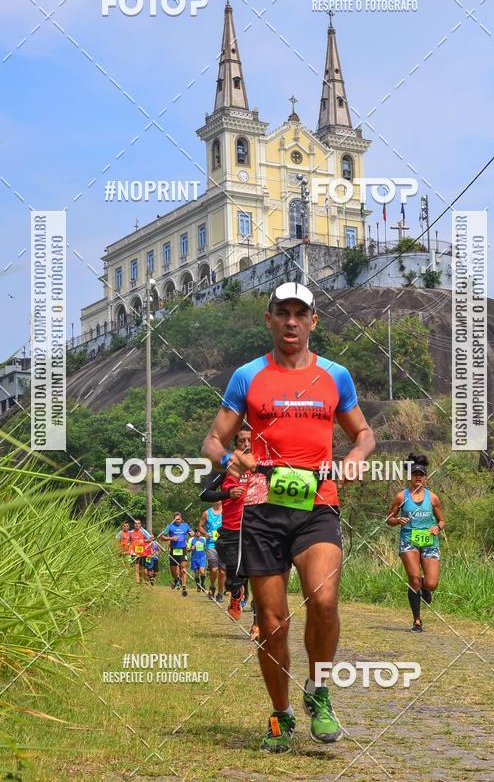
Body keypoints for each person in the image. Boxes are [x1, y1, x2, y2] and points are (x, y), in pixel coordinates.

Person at [202, 281, 375, 754]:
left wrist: (357, 455)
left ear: (314, 320)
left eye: (301, 313)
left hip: (317, 502)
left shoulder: (335, 375)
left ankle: (319, 692)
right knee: (273, 622)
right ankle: (280, 716)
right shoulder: (247, 376)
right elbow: (213, 441)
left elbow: (363, 433)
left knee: (323, 599)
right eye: (283, 313)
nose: (292, 322)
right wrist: (228, 461)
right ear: (269, 319)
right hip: (260, 507)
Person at [200, 428, 259, 637]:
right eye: (241, 441)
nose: (246, 444)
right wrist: (227, 493)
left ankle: (257, 624)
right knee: (233, 575)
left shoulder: (261, 466)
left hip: (256, 529)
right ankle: (236, 592)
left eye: (249, 440)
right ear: (235, 445)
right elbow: (204, 493)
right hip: (231, 530)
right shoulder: (225, 468)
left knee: (259, 575)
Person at [387, 453, 444, 633]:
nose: (418, 477)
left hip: (429, 541)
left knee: (432, 584)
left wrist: (437, 527)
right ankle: (417, 620)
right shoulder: (401, 497)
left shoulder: (433, 498)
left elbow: (442, 520)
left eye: (421, 475)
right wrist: (398, 521)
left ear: (425, 478)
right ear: (410, 477)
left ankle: (425, 587)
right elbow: (389, 518)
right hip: (408, 540)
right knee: (413, 579)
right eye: (415, 474)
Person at [161, 512, 193, 597]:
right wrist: (171, 538)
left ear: (181, 519)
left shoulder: (185, 525)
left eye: (179, 519)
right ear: (173, 519)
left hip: (182, 549)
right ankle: (176, 579)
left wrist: (191, 534)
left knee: (183, 568)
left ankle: (184, 587)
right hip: (173, 550)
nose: (177, 521)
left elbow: (191, 533)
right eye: (176, 519)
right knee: (173, 570)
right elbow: (162, 537)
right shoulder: (169, 526)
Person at [199, 502, 225, 602]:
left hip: (223, 544)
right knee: (214, 569)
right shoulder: (207, 513)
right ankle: (212, 586)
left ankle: (220, 592)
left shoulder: (226, 511)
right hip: (211, 544)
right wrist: (205, 533)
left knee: (222, 572)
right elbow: (200, 526)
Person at [129, 518, 151, 584]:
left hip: (142, 553)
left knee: (141, 569)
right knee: (136, 567)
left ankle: (140, 581)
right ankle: (137, 582)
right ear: (134, 525)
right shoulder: (130, 532)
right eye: (135, 523)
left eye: (138, 523)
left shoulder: (144, 532)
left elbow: (150, 539)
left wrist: (144, 540)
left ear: (140, 524)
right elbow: (128, 541)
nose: (137, 525)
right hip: (134, 552)